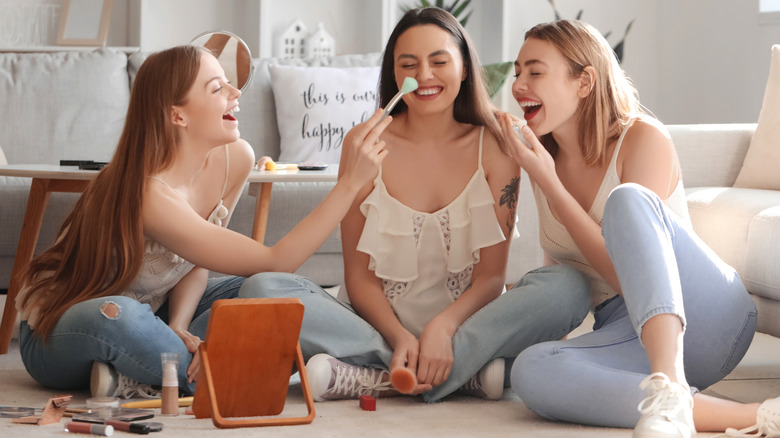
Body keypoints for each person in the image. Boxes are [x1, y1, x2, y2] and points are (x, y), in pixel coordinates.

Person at [241, 7, 590, 404]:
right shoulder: (364, 142)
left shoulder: (496, 144)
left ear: (463, 68)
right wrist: (400, 336)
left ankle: (380, 375)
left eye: (439, 61)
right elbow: (359, 279)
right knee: (261, 287)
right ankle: (459, 373)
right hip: (377, 328)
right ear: (394, 74)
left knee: (568, 287)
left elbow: (491, 278)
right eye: (409, 64)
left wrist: (444, 329)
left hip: (466, 325)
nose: (424, 75)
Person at [16, 44, 388, 399]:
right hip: (65, 327)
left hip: (159, 315)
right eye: (217, 88)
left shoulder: (234, 158)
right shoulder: (148, 193)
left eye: (228, 82)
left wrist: (178, 325)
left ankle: (383, 361)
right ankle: (217, 369)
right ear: (178, 115)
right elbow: (277, 256)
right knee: (121, 316)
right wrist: (350, 184)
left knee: (268, 289)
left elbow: (200, 260)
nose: (235, 92)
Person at [498, 19, 777, 438]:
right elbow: (563, 277)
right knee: (533, 370)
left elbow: (632, 276)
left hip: (705, 314)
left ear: (584, 82)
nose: (519, 84)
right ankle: (753, 416)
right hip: (623, 331)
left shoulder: (642, 139)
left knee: (626, 200)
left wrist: (553, 187)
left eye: (535, 71)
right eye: (518, 72)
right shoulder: (543, 159)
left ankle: (670, 382)